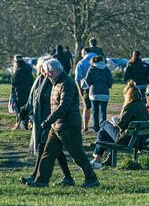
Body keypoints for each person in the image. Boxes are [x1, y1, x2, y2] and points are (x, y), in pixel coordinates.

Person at [26, 59, 99, 188]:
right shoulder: (56, 83)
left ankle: (91, 179)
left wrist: (48, 121)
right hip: (57, 126)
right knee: (47, 154)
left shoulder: (67, 84)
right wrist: (51, 123)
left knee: (77, 154)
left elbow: (63, 107)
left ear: (55, 71)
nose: (46, 75)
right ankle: (41, 181)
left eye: (48, 72)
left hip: (68, 125)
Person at [19, 56, 74, 186]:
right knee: (55, 151)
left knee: (44, 148)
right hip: (41, 119)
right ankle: (68, 177)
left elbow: (56, 103)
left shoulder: (53, 81)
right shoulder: (40, 80)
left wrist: (49, 120)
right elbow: (33, 97)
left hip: (50, 120)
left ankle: (37, 177)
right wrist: (26, 109)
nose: (45, 72)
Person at [90, 81, 149, 169]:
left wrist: (115, 122)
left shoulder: (129, 106)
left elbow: (121, 125)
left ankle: (97, 158)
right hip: (140, 140)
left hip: (126, 140)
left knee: (104, 123)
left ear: (128, 95)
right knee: (103, 133)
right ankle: (98, 159)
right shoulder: (142, 105)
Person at [84, 55, 113, 133]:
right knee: (103, 111)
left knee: (95, 111)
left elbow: (87, 80)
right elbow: (110, 81)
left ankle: (96, 128)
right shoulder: (106, 69)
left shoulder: (92, 68)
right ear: (102, 60)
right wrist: (107, 86)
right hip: (104, 92)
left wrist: (91, 85)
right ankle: (103, 127)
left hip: (94, 92)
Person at [75, 48, 96, 132]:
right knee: (96, 107)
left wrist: (79, 90)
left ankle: (85, 126)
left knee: (86, 107)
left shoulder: (81, 63)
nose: (81, 55)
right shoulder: (98, 60)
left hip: (86, 88)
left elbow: (77, 79)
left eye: (82, 53)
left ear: (85, 53)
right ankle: (97, 126)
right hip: (97, 87)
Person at [11, 55, 34, 130]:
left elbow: (14, 83)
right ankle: (30, 125)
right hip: (29, 93)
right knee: (29, 110)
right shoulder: (28, 69)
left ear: (15, 62)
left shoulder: (17, 72)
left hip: (20, 95)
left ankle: (23, 128)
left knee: (21, 112)